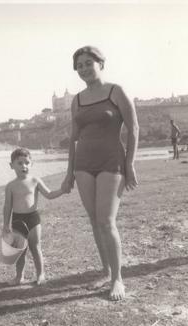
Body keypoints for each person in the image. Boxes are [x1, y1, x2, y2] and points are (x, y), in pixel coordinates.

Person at [61, 46, 139, 301]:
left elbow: (133, 127)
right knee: (94, 220)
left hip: (111, 162)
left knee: (106, 220)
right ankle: (106, 270)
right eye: (79, 65)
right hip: (83, 164)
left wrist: (130, 164)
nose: (83, 68)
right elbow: (73, 139)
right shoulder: (77, 100)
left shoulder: (116, 91)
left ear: (100, 63)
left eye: (88, 63)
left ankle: (118, 279)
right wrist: (69, 172)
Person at [3, 147, 68, 285]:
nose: (24, 166)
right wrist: (5, 224)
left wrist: (62, 190)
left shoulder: (35, 181)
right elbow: (7, 207)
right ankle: (19, 276)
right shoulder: (10, 186)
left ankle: (41, 275)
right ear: (11, 165)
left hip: (33, 219)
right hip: (17, 220)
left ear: (31, 163)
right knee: (19, 251)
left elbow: (49, 194)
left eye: (26, 162)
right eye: (19, 163)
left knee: (35, 248)